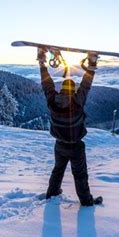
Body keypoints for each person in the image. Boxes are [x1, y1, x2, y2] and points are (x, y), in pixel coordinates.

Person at [39, 49, 102, 206]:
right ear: (73, 90)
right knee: (80, 175)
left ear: (61, 90)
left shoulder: (52, 101)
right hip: (76, 146)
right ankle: (86, 201)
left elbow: (46, 84)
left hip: (59, 145)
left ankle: (52, 193)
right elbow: (86, 85)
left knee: (58, 170)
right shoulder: (77, 101)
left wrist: (42, 64)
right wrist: (92, 64)